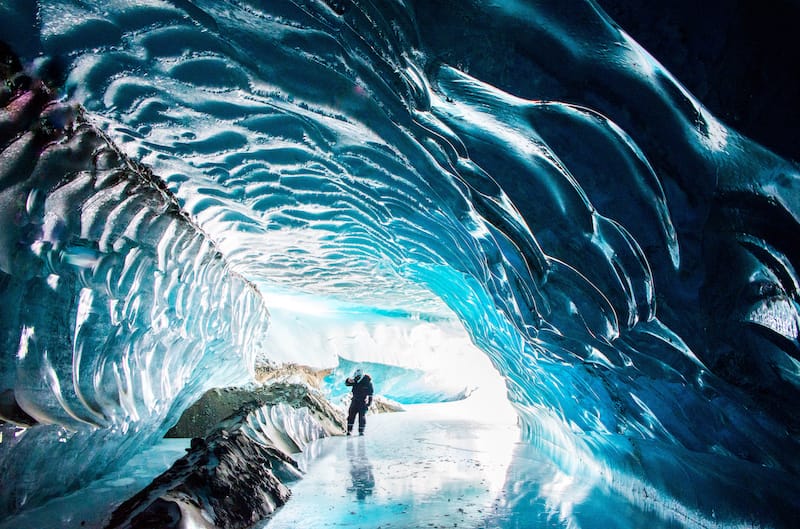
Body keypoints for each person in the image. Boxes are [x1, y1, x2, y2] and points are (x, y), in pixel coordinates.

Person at [345, 368, 373, 436]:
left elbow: (370, 394)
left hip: (362, 402)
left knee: (362, 417)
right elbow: (347, 384)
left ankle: (361, 431)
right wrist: (348, 380)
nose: (356, 378)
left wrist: (368, 404)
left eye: (358, 377)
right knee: (351, 415)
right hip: (354, 401)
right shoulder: (356, 380)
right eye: (356, 377)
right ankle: (349, 430)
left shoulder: (368, 382)